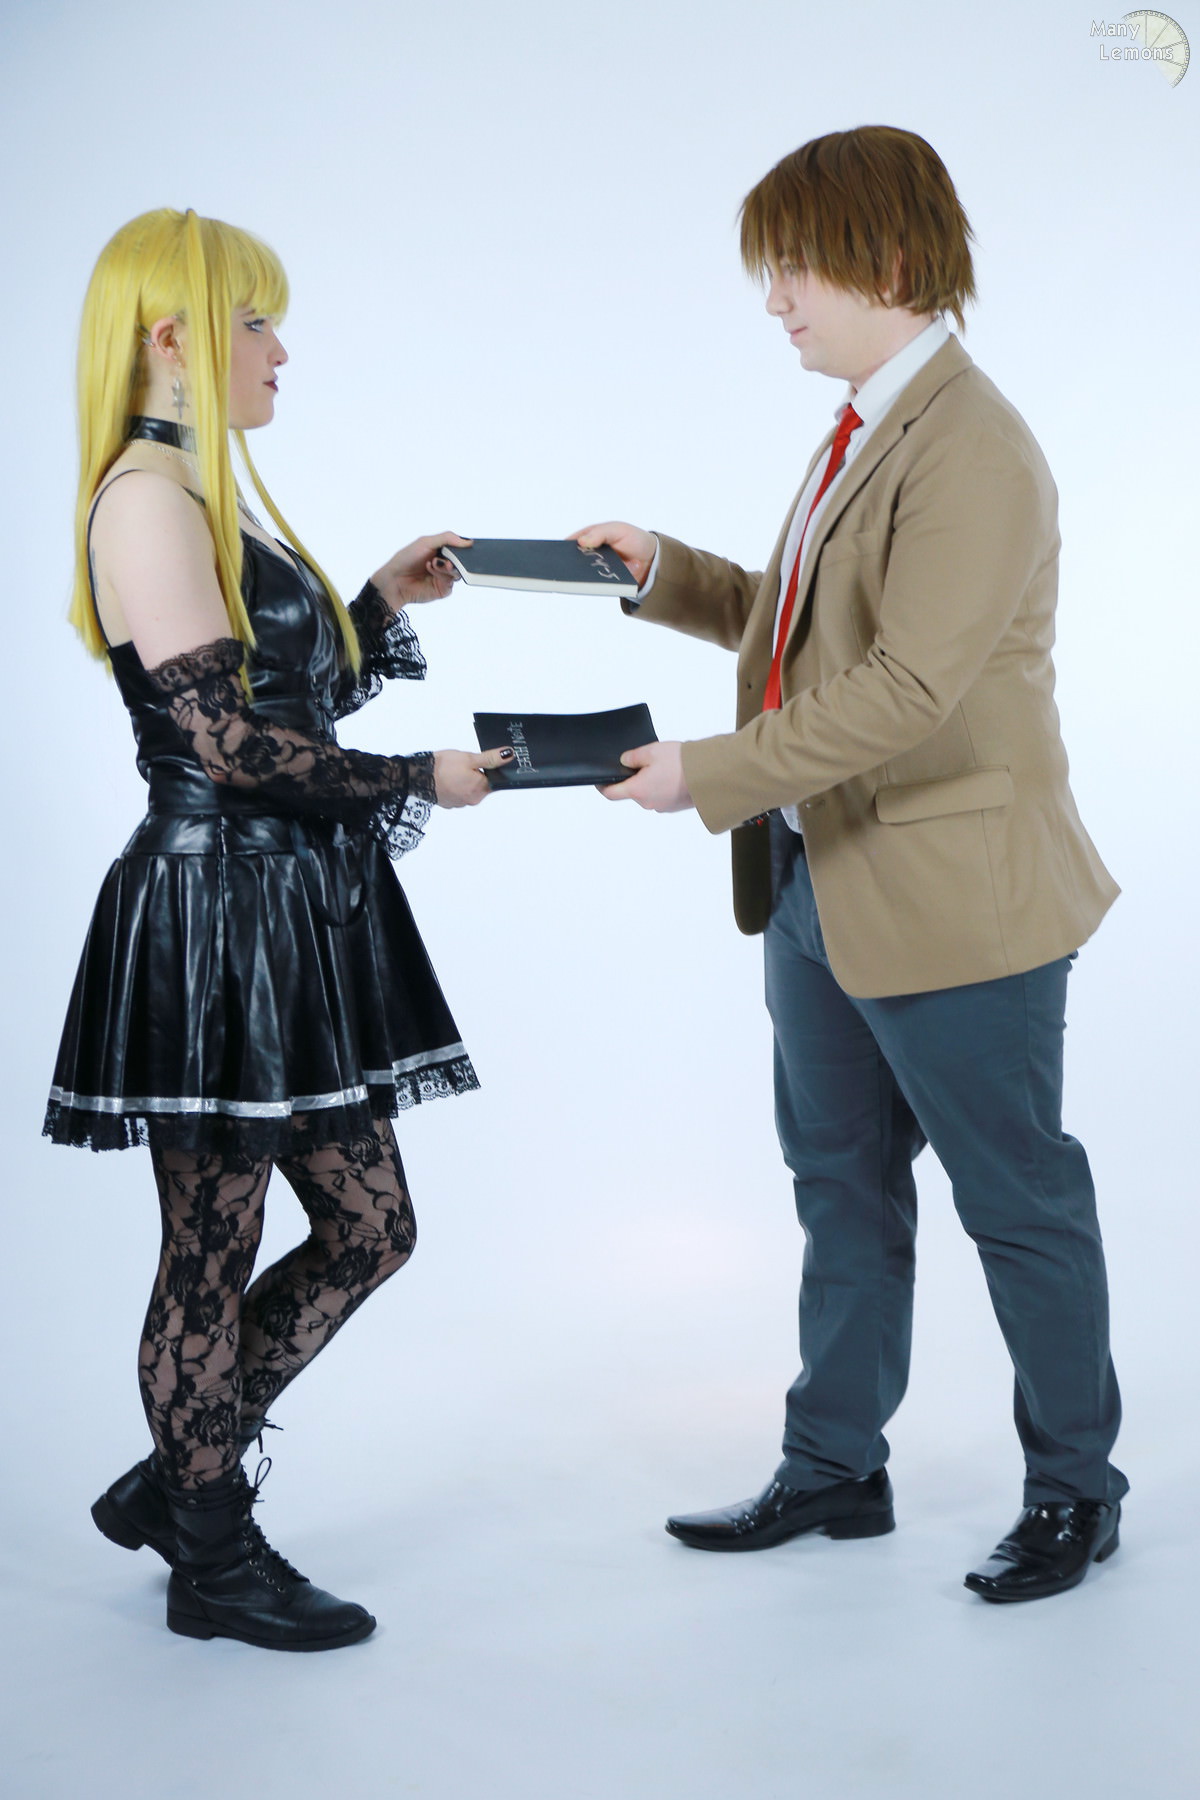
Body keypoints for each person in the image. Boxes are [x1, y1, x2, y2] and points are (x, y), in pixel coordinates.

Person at [572, 126, 1126, 1602]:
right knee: (841, 1188)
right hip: (821, 879)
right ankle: (834, 1467)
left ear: (885, 261)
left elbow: (908, 690)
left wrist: (704, 772)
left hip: (958, 901)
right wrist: (665, 572)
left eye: (794, 270)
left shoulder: (975, 446)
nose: (776, 301)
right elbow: (807, 626)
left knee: (1017, 1201)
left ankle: (1077, 1491)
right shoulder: (865, 428)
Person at [45, 207, 511, 1651]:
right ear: (173, 336)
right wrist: (419, 776)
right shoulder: (145, 499)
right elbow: (228, 749)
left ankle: (177, 1475)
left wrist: (372, 601)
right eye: (255, 323)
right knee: (213, 1246)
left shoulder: (200, 493)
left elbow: (282, 710)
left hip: (286, 907)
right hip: (217, 918)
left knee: (371, 1227)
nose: (279, 352)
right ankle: (212, 1557)